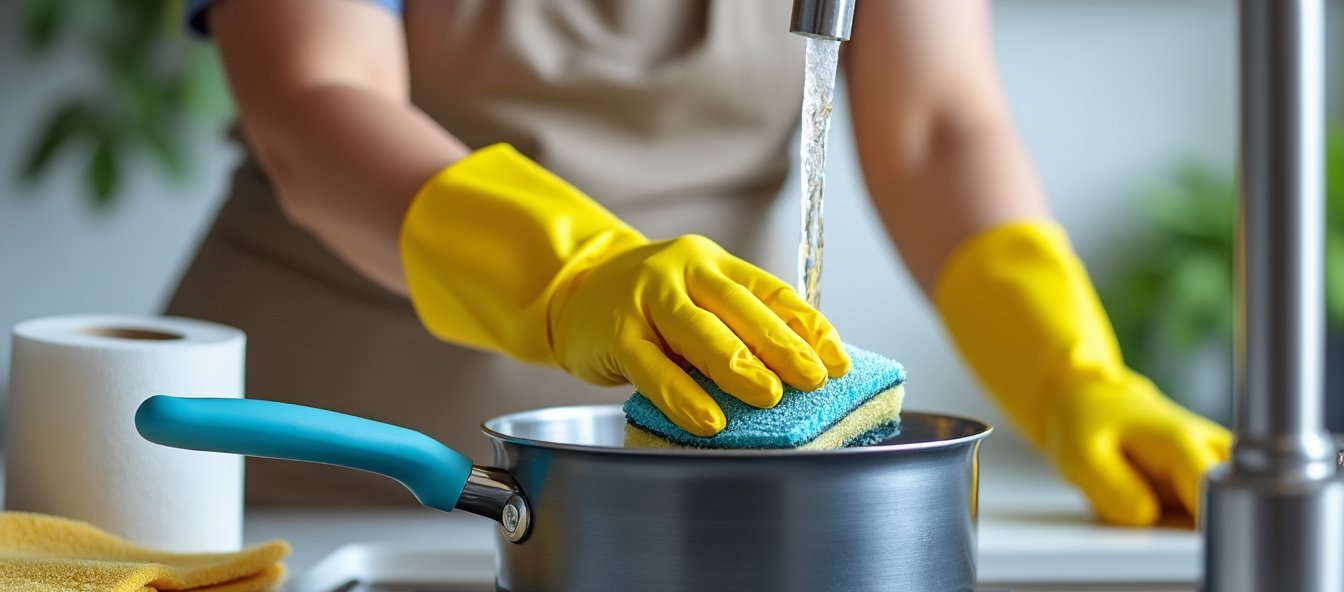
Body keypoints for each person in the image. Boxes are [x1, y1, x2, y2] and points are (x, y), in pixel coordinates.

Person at [175, 0, 1229, 526]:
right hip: (325, 467)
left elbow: (939, 126)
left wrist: (1073, 373)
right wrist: (576, 274)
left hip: (697, 507)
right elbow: (313, 108)